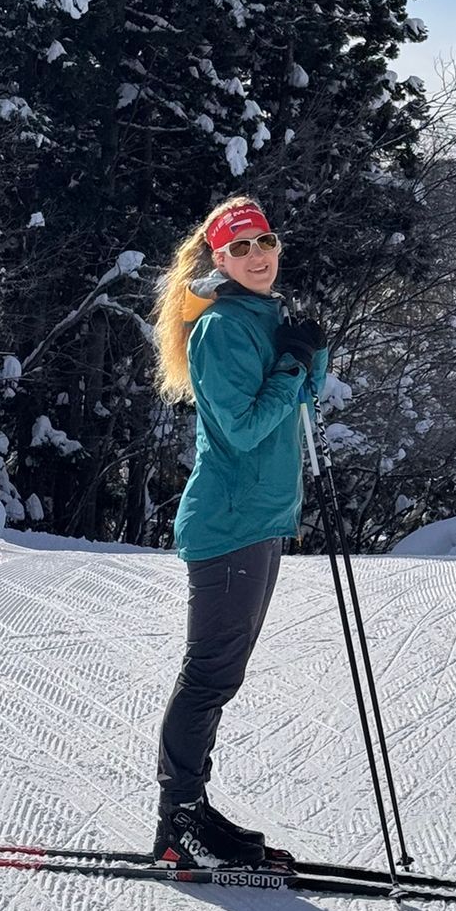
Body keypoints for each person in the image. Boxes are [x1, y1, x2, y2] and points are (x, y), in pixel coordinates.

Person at [150, 196, 328, 868]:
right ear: (217, 260)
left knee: (221, 675)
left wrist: (309, 350)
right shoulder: (221, 329)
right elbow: (248, 426)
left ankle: (192, 813)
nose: (258, 255)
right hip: (229, 523)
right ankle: (177, 824)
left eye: (265, 242)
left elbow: (302, 395)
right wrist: (290, 365)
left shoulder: (260, 317)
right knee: (209, 675)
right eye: (240, 247)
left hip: (259, 520)